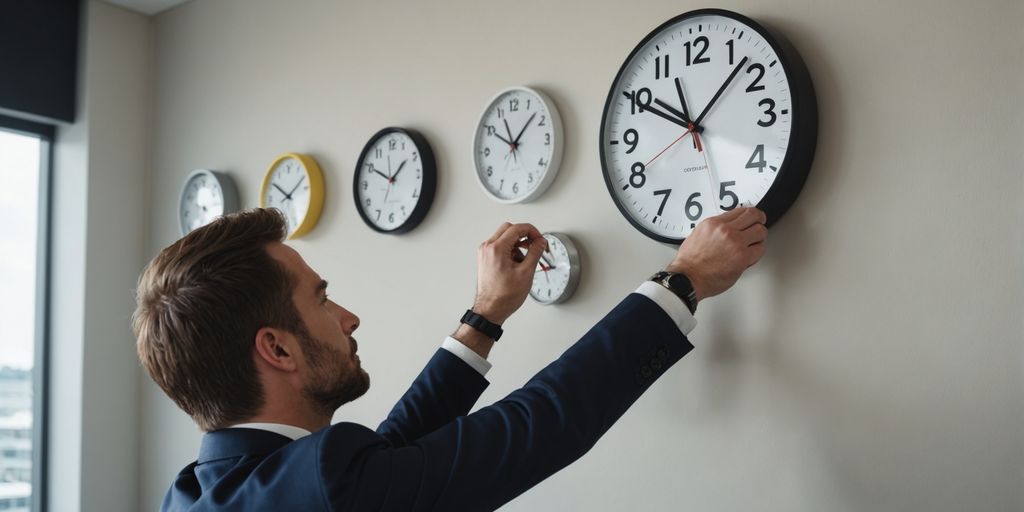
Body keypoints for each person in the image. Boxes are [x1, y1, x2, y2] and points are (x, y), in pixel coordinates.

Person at [134, 206, 767, 511]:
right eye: (322, 299)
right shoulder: (326, 487)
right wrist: (683, 280)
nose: (349, 317)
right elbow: (540, 425)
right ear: (277, 349)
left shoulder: (192, 495)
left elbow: (393, 462)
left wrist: (484, 316)